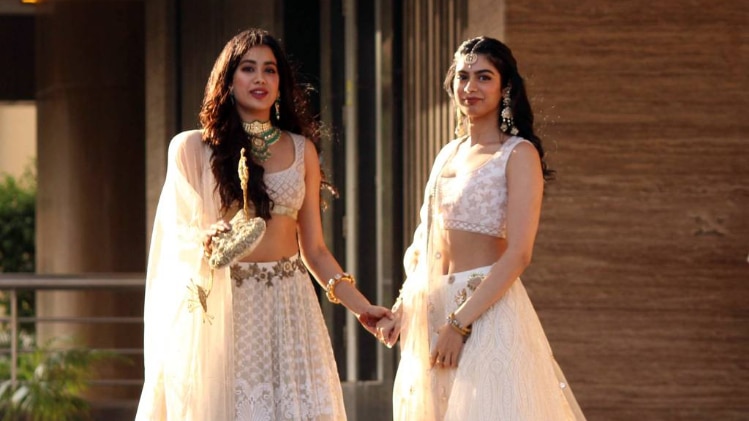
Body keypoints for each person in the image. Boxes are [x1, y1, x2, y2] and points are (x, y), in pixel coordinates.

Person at [136, 28, 391, 420]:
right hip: (227, 310)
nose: (260, 78)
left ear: (280, 82)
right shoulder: (192, 148)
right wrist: (205, 238)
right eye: (248, 68)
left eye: (269, 70)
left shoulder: (302, 150)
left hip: (289, 308)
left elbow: (315, 251)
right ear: (228, 80)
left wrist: (362, 308)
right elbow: (175, 234)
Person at [376, 36, 586, 420]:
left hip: (485, 312)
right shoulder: (448, 153)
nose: (470, 87)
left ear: (505, 88)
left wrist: (459, 324)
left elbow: (519, 254)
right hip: (434, 311)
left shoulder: (518, 154)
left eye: (484, 77)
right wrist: (404, 306)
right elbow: (425, 239)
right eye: (463, 76)